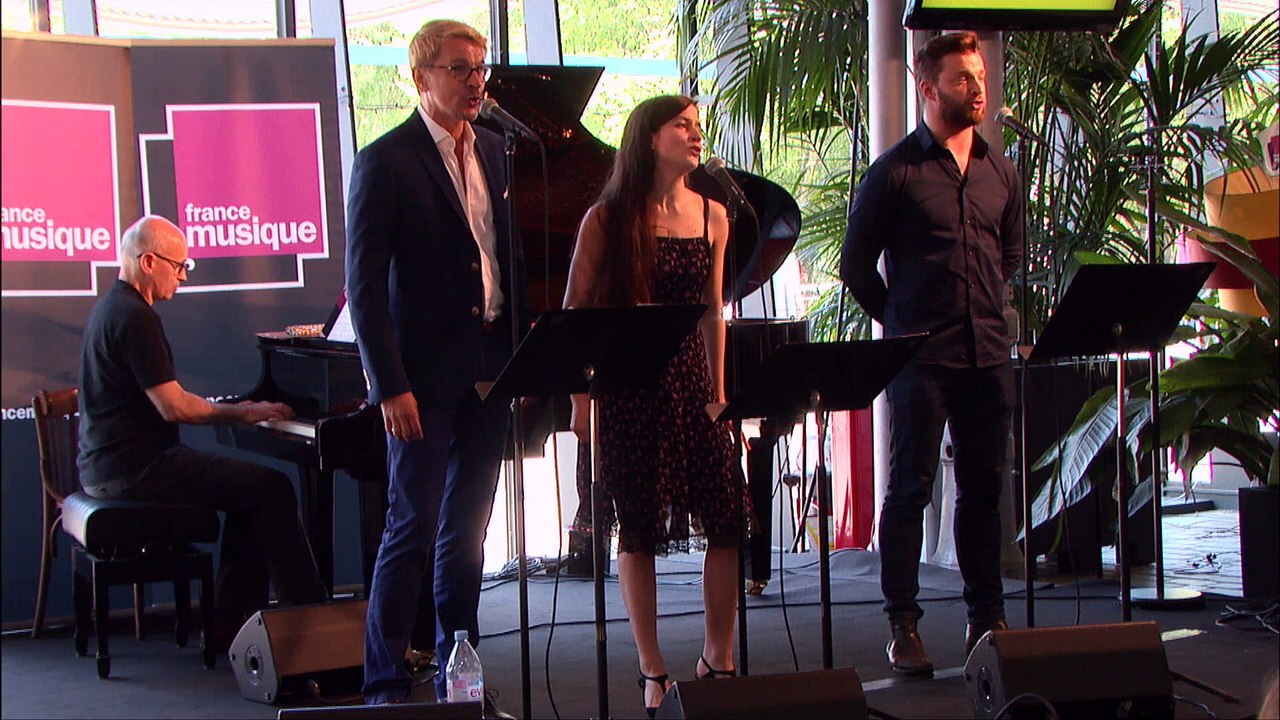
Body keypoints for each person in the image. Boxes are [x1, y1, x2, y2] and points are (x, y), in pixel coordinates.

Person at [344, 19, 527, 716]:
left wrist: (521, 359)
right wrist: (388, 384)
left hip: (490, 368)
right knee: (411, 527)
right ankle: (384, 684)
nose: (476, 80)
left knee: (468, 533)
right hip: (419, 380)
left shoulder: (499, 151)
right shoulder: (386, 160)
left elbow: (505, 257)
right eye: (460, 69)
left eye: (480, 67)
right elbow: (364, 287)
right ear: (421, 78)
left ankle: (460, 673)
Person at [839, 31, 1023, 676]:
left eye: (980, 77)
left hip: (988, 353)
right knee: (909, 489)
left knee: (984, 488)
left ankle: (987, 617)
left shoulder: (1001, 171)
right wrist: (900, 325)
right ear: (928, 88)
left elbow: (1008, 257)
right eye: (963, 79)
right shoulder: (895, 172)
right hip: (921, 357)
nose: (978, 89)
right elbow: (856, 266)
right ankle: (904, 625)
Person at [564, 94, 744, 718]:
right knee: (637, 527)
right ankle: (652, 666)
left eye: (698, 126)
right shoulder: (608, 220)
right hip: (628, 389)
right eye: (682, 126)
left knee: (728, 517)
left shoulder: (714, 215)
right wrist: (580, 404)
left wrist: (720, 395)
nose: (696, 135)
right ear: (648, 138)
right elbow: (575, 315)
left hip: (692, 384)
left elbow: (713, 314)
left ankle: (718, 656)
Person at [77, 215, 328, 654]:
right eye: (179, 266)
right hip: (136, 470)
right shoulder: (135, 318)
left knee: (251, 491)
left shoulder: (111, 307)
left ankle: (233, 626)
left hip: (108, 467)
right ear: (149, 262)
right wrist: (243, 413)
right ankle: (309, 622)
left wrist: (242, 411)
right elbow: (173, 406)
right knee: (270, 487)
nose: (183, 276)